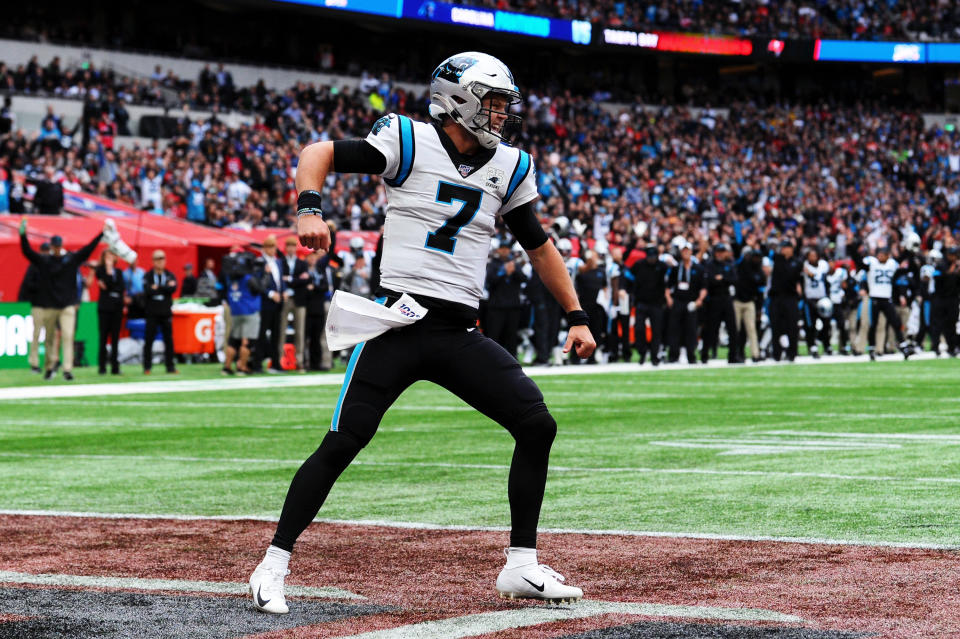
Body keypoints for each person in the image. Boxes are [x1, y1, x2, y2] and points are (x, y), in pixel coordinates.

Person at [248, 51, 595, 614]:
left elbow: (537, 243)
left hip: (459, 329)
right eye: (495, 101)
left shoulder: (509, 165)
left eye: (507, 102)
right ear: (460, 101)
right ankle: (273, 565)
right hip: (397, 322)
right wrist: (307, 208)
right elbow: (319, 152)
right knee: (344, 440)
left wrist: (577, 315)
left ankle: (521, 565)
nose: (504, 113)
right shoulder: (408, 139)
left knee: (536, 425)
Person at [19, 220, 104, 381]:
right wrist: (22, 235)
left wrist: (101, 234)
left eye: (58, 246)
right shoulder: (45, 261)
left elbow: (87, 250)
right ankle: (50, 367)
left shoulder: (70, 260)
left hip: (66, 306)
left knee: (67, 335)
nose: (57, 249)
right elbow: (28, 253)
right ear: (51, 246)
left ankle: (67, 369)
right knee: (50, 338)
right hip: (49, 306)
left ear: (61, 246)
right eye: (54, 246)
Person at [862, 245, 912, 361]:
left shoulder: (892, 264)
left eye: (882, 255)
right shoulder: (872, 264)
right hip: (874, 298)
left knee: (896, 323)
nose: (880, 257)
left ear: (887, 256)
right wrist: (851, 246)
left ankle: (903, 346)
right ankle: (872, 348)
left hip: (887, 298)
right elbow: (859, 262)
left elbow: (902, 260)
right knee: (873, 325)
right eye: (879, 255)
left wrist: (909, 249)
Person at [485, 240, 527, 359]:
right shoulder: (493, 264)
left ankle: (513, 358)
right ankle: (492, 358)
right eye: (502, 249)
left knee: (512, 334)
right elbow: (490, 282)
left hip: (513, 306)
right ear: (498, 250)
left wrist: (514, 272)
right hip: (496, 306)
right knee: (494, 334)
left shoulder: (514, 263)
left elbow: (523, 279)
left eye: (506, 249)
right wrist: (503, 272)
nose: (504, 251)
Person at [664, 242, 705, 364]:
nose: (686, 253)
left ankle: (691, 356)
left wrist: (699, 301)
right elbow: (667, 286)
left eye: (688, 250)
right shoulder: (676, 268)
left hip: (691, 302)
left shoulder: (698, 269)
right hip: (677, 301)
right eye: (683, 251)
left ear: (691, 252)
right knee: (674, 329)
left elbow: (703, 287)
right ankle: (673, 355)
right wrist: (669, 299)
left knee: (691, 330)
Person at [18, 241, 54, 374]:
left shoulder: (52, 266)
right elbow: (28, 284)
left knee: (50, 335)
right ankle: (34, 363)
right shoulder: (34, 266)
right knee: (36, 334)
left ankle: (51, 363)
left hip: (51, 305)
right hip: (38, 305)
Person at [630, 243, 668, 365]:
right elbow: (628, 277)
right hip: (641, 302)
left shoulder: (662, 267)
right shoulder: (639, 265)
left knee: (656, 331)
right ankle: (642, 352)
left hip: (656, 303)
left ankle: (654, 355)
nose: (651, 258)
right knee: (639, 329)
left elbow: (670, 279)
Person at [700, 243, 738, 364]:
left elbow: (734, 280)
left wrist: (722, 279)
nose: (720, 254)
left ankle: (733, 356)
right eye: (718, 251)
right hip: (714, 300)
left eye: (722, 251)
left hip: (726, 299)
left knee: (732, 328)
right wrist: (722, 280)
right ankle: (705, 354)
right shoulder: (710, 265)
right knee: (710, 329)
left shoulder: (729, 264)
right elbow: (709, 281)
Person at [142, 250, 178, 374]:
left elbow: (172, 288)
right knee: (149, 340)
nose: (160, 262)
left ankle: (170, 366)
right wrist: (164, 288)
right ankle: (147, 367)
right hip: (152, 312)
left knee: (169, 340)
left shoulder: (169, 274)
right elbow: (148, 290)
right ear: (153, 261)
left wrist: (158, 288)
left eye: (162, 259)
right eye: (158, 259)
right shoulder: (148, 276)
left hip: (165, 311)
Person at [769, 240, 802, 362]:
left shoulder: (797, 262)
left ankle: (792, 353)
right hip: (776, 297)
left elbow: (792, 276)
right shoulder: (777, 259)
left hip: (790, 297)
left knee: (792, 326)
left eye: (785, 248)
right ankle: (776, 353)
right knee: (775, 326)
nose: (783, 250)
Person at [257, 235, 285, 373]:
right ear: (265, 248)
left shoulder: (277, 262)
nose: (274, 250)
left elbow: (281, 280)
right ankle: (257, 364)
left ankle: (275, 363)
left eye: (274, 247)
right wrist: (270, 293)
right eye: (271, 247)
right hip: (265, 303)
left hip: (277, 303)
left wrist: (284, 291)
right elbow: (258, 284)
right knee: (261, 334)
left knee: (276, 335)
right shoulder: (260, 262)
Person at [95, 249, 125, 375]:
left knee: (115, 338)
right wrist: (108, 270)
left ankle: (115, 366)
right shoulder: (100, 271)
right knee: (103, 337)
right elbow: (106, 285)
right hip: (104, 309)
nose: (110, 258)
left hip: (116, 309)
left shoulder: (118, 272)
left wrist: (111, 287)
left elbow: (120, 287)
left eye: (112, 255)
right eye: (107, 255)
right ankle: (102, 367)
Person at [280, 237, 308, 372]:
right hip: (285, 298)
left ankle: (300, 361)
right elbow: (281, 279)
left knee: (300, 332)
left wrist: (289, 279)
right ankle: (280, 360)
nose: (291, 248)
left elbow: (305, 281)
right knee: (281, 330)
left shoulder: (302, 263)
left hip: (299, 299)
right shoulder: (281, 262)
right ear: (285, 248)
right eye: (288, 246)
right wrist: (297, 280)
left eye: (293, 246)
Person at [734, 248, 764, 362]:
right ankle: (736, 353)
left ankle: (755, 354)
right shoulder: (741, 267)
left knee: (751, 329)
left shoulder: (759, 273)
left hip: (750, 302)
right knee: (736, 329)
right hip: (737, 301)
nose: (756, 259)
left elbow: (760, 292)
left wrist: (759, 309)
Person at [801, 248, 831, 358]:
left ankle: (826, 344)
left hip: (822, 299)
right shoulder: (804, 266)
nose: (813, 257)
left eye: (814, 255)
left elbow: (827, 271)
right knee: (810, 325)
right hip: (810, 299)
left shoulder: (823, 265)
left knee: (826, 323)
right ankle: (812, 346)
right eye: (810, 255)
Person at [931, 247, 960, 356]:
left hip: (953, 299)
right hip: (940, 298)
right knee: (937, 324)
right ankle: (935, 347)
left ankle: (951, 348)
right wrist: (952, 270)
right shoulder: (941, 265)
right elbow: (938, 279)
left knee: (951, 324)